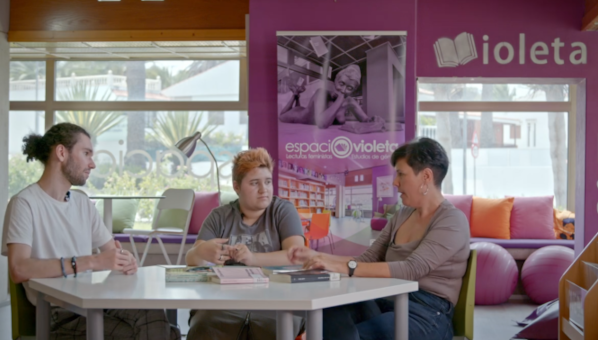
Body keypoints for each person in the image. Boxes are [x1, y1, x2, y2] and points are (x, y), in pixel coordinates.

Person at [1, 123, 180, 340]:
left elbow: (111, 252)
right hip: (58, 314)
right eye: (86, 153)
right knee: (160, 333)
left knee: (156, 318)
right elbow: (19, 268)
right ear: (61, 152)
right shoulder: (24, 203)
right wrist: (91, 262)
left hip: (95, 301)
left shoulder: (82, 203)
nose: (92, 164)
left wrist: (125, 260)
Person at [288, 137, 470, 340]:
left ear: (426, 176)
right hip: (385, 298)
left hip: (426, 313)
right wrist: (318, 257)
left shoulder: (452, 220)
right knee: (326, 310)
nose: (395, 182)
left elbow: (411, 269)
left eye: (401, 174)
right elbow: (367, 259)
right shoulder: (403, 214)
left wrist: (342, 267)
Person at [185, 147, 306, 340]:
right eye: (254, 183)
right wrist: (201, 252)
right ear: (236, 187)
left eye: (267, 182)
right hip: (224, 303)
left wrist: (253, 258)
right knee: (204, 327)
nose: (263, 189)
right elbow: (191, 259)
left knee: (275, 330)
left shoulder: (283, 211)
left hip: (277, 301)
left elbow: (297, 256)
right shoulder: (219, 216)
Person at [279, 64, 372, 129]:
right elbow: (322, 123)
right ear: (336, 80)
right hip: (297, 114)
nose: (343, 90)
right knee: (281, 116)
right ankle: (295, 95)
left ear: (353, 90)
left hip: (302, 110)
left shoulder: (350, 102)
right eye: (341, 83)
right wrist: (341, 98)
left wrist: (373, 120)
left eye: (349, 88)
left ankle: (296, 95)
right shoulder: (321, 93)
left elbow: (367, 121)